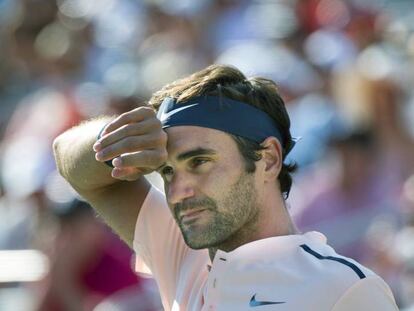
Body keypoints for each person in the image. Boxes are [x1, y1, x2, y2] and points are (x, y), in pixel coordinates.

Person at [53, 64, 399, 310]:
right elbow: (70, 161)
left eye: (199, 163)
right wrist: (113, 137)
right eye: (168, 171)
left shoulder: (346, 288)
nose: (178, 190)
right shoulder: (185, 256)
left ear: (268, 159)